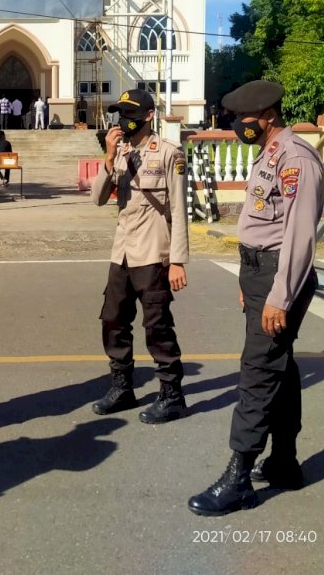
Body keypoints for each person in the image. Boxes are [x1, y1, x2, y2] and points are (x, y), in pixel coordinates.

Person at [188, 80, 324, 517]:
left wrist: (279, 297)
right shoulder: (269, 153)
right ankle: (284, 461)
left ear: (266, 115)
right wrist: (250, 282)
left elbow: (300, 238)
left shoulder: (296, 159)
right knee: (279, 364)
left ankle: (238, 477)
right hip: (258, 272)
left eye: (242, 118)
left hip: (277, 275)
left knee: (259, 369)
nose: (236, 124)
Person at [90, 90, 189, 425]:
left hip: (153, 251)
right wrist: (108, 158)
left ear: (148, 115)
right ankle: (122, 387)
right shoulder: (121, 153)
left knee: (157, 325)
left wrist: (177, 260)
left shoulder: (169, 154)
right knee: (113, 320)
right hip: (123, 252)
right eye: (120, 113)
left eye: (130, 113)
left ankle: (172, 394)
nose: (123, 120)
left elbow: (178, 208)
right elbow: (98, 199)